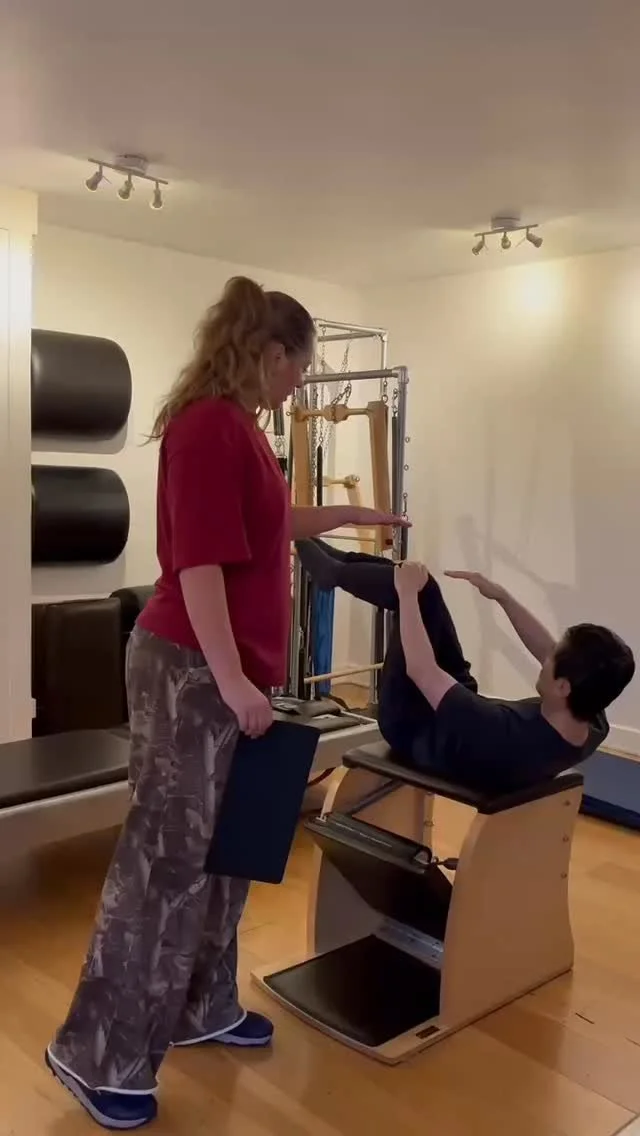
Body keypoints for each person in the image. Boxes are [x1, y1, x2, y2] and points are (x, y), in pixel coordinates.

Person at [45, 276, 408, 1130]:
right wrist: (236, 681)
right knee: (163, 865)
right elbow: (201, 565)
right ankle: (97, 1054)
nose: (299, 383)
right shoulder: (208, 425)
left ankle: (203, 1006)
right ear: (269, 352)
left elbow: (268, 523)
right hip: (188, 668)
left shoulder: (241, 427)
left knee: (227, 853)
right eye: (298, 367)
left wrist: (354, 513)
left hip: (224, 671)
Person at [295, 539, 635, 793]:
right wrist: (502, 597)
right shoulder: (591, 719)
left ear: (563, 687)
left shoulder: (502, 732)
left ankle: (331, 570)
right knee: (424, 587)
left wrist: (406, 596)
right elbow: (549, 650)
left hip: (411, 722)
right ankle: (339, 565)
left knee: (417, 593)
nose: (545, 659)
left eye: (552, 660)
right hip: (459, 718)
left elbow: (422, 671)